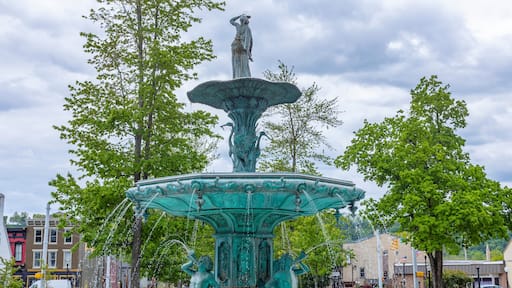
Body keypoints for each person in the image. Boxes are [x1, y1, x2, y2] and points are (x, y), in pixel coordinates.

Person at [230, 14, 253, 78]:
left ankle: (237, 76)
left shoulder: (238, 26)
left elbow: (231, 21)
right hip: (241, 46)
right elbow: (248, 40)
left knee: (236, 61)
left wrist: (238, 16)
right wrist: (248, 52)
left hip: (235, 45)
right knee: (243, 63)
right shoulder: (247, 28)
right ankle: (243, 76)